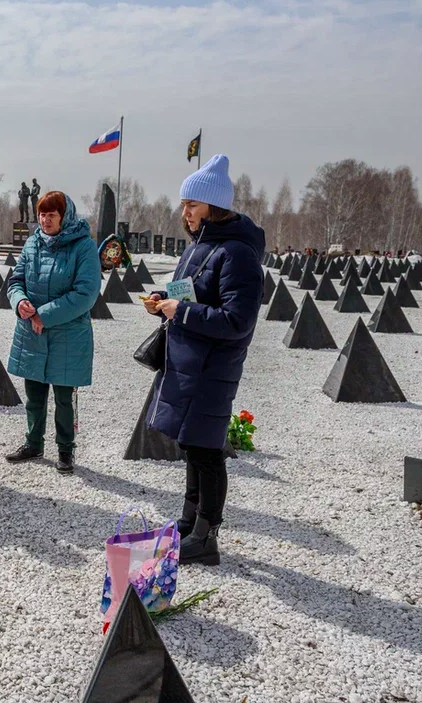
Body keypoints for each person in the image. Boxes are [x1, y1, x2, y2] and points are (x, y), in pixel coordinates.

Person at [142, 154, 264, 567]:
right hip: (188, 362)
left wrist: (182, 312)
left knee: (208, 451)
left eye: (192, 204)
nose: (185, 212)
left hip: (212, 368)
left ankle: (207, 535)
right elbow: (190, 292)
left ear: (214, 206)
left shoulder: (238, 255)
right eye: (184, 205)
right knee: (194, 446)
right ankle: (190, 520)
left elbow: (237, 320)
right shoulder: (202, 248)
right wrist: (163, 301)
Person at [4, 191, 99, 474]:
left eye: (51, 215)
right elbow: (16, 279)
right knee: (34, 394)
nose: (45, 220)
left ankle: (65, 450)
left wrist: (43, 316)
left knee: (64, 398)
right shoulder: (33, 243)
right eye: (42, 214)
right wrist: (19, 300)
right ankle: (33, 443)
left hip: (67, 335)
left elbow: (85, 293)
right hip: (32, 333)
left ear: (65, 216)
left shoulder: (83, 247)